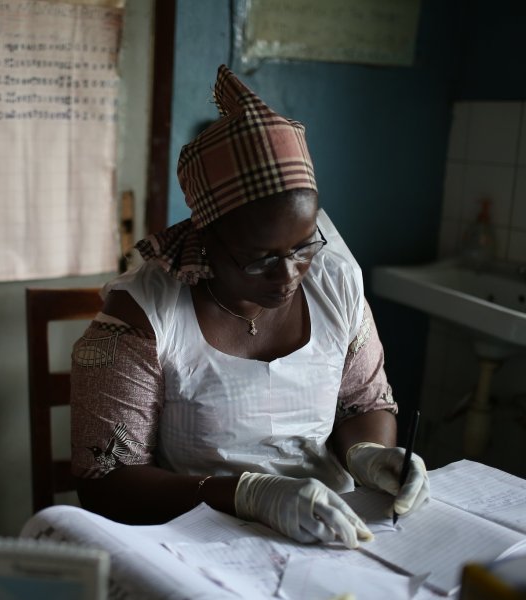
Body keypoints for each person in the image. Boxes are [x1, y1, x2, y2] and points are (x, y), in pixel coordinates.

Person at [69, 65, 429, 548]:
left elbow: (363, 404)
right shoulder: (143, 317)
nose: (288, 276)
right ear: (206, 237)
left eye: (303, 247)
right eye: (260, 259)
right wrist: (244, 493)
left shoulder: (336, 283)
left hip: (330, 529)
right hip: (201, 541)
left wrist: (367, 453)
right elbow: (105, 485)